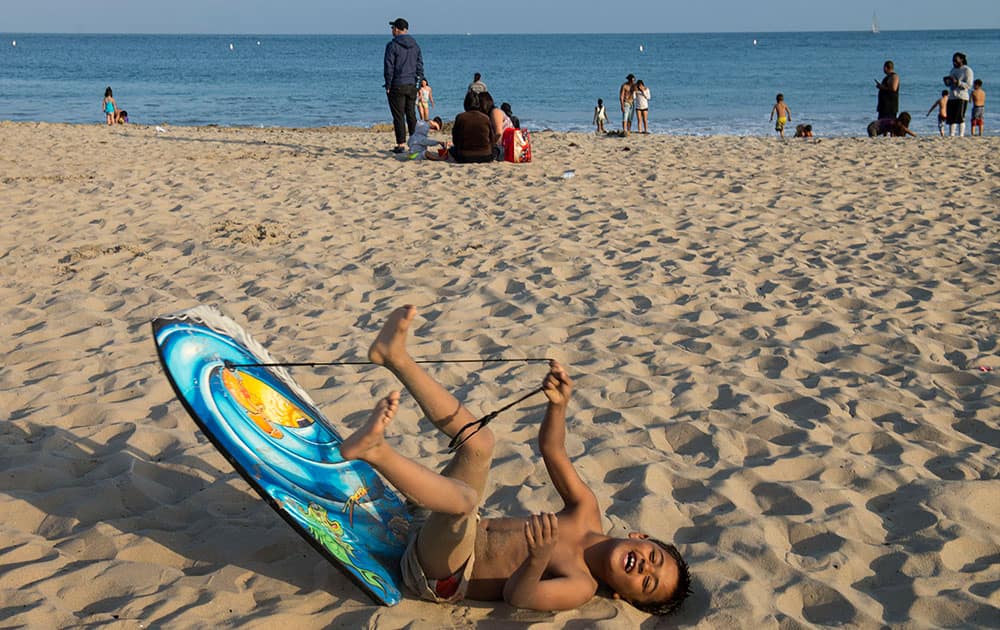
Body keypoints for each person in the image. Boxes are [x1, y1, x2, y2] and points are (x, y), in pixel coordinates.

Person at [339, 305, 692, 614]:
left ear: (621, 595)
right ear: (641, 535)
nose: (644, 567)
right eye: (654, 559)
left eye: (647, 583)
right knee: (480, 443)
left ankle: (375, 450)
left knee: (464, 501)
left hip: (443, 572)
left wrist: (539, 558)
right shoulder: (586, 509)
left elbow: (518, 597)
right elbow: (552, 450)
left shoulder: (580, 584)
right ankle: (395, 356)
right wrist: (558, 406)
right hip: (435, 528)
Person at [384, 18, 425, 153]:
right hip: (412, 84)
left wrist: (388, 84)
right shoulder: (416, 45)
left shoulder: (392, 45)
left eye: (392, 28)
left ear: (397, 29)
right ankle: (415, 143)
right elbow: (420, 66)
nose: (391, 30)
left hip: (397, 84)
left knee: (399, 116)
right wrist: (419, 84)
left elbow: (389, 67)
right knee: (411, 114)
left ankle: (401, 144)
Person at [449, 91, 495, 164]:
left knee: (451, 150)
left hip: (464, 157)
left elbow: (455, 140)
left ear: (465, 104)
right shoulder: (485, 118)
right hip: (485, 156)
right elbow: (492, 139)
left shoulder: (460, 117)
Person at [943, 52, 973, 137]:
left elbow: (969, 85)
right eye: (953, 60)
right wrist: (947, 81)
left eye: (956, 60)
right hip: (952, 96)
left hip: (962, 96)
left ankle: (961, 135)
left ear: (961, 60)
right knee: (951, 118)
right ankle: (951, 134)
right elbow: (950, 84)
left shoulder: (967, 70)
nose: (954, 62)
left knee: (960, 117)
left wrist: (958, 82)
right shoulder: (953, 70)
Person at [479, 91, 513, 160]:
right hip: (504, 144)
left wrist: (490, 145)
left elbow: (498, 133)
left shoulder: (495, 112)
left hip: (506, 146)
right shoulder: (491, 113)